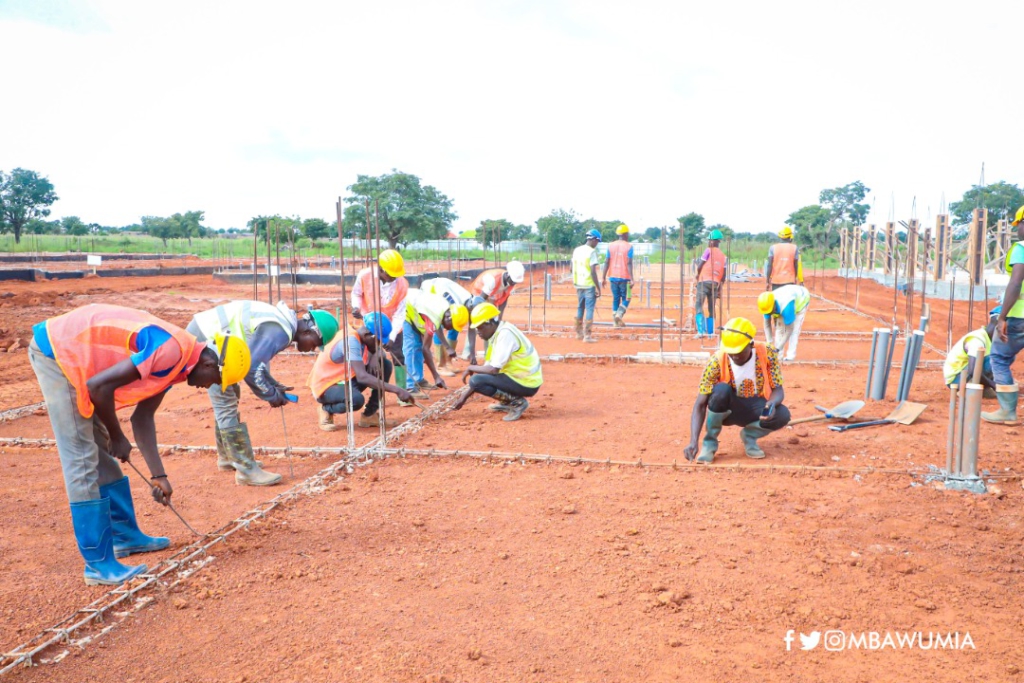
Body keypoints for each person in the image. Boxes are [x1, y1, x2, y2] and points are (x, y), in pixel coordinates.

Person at [27, 304, 250, 585]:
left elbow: (143, 418)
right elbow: (98, 387)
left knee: (98, 448)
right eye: (215, 381)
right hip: (58, 353)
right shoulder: (171, 351)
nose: (208, 388)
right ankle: (97, 565)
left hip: (80, 357)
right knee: (81, 455)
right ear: (208, 364)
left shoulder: (181, 363)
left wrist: (159, 477)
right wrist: (117, 436)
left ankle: (125, 536)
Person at [187, 301, 338, 486]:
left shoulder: (282, 324)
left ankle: (228, 458)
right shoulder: (280, 330)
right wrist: (271, 395)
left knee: (230, 393)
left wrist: (273, 384)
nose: (312, 349)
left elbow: (256, 361)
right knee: (225, 401)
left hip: (211, 338)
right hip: (208, 345)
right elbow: (251, 368)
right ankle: (246, 470)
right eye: (315, 344)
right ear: (308, 331)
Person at [683, 317, 790, 463]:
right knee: (721, 390)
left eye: (738, 352)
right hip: (728, 411)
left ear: (750, 344)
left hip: (756, 409)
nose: (734, 356)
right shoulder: (716, 361)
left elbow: (778, 389)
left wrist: (771, 404)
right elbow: (700, 404)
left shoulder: (767, 353)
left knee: (783, 414)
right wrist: (693, 441)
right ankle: (709, 443)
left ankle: (750, 435)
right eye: (730, 352)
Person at [308, 312, 413, 430]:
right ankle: (326, 409)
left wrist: (375, 355)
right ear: (369, 335)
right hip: (326, 386)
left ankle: (369, 415)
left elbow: (380, 351)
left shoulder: (361, 333)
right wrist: (397, 390)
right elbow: (362, 377)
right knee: (356, 400)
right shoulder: (350, 341)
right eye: (378, 340)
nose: (379, 344)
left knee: (385, 365)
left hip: (344, 379)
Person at [453, 302, 543, 421]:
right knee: (477, 380)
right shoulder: (498, 334)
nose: (478, 332)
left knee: (476, 380)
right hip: (521, 378)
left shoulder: (505, 335)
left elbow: (493, 370)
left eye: (480, 327)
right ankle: (507, 401)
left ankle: (517, 403)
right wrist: (463, 398)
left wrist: (470, 368)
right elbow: (486, 371)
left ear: (489, 322)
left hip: (527, 382)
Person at [983, 205, 1024, 425]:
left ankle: (1007, 411)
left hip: (1020, 318)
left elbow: (1016, 282)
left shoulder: (1021, 248)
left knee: (999, 358)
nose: (1018, 231)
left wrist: (1002, 317)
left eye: (1019, 225)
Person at [351, 249, 410, 388]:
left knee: (398, 355)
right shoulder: (365, 275)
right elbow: (356, 294)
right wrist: (356, 307)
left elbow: (400, 313)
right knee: (371, 357)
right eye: (391, 275)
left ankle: (402, 391)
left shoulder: (402, 284)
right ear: (381, 269)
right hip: (369, 323)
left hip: (392, 325)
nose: (394, 278)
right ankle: (375, 395)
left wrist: (391, 337)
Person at [400, 289, 469, 401]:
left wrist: (447, 346)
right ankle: (409, 387)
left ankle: (418, 380)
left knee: (417, 346)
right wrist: (436, 376)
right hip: (404, 307)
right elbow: (425, 349)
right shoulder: (435, 316)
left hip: (414, 306)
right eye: (452, 326)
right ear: (449, 318)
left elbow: (437, 327)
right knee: (411, 348)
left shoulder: (445, 309)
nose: (450, 329)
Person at [464, 261, 525, 363]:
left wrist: (498, 318)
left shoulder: (510, 282)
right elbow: (482, 301)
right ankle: (469, 353)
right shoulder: (491, 279)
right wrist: (489, 318)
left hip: (493, 296)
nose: (514, 283)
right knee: (478, 323)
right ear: (508, 275)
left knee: (493, 325)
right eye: (513, 281)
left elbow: (504, 300)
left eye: (515, 282)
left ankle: (489, 354)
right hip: (479, 295)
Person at [421, 276, 482, 376]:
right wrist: (447, 347)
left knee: (455, 325)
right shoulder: (448, 304)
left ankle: (448, 362)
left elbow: (471, 329)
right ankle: (440, 365)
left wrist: (472, 354)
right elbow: (436, 324)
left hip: (445, 286)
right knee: (438, 323)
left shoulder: (471, 303)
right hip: (431, 288)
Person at [944, 307, 998, 398]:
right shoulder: (977, 340)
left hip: (966, 373)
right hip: (956, 379)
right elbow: (973, 370)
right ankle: (966, 388)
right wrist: (994, 385)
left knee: (999, 356)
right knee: (996, 358)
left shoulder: (990, 338)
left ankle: (980, 386)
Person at [757, 285, 810, 361]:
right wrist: (769, 344)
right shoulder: (766, 304)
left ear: (773, 305)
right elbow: (767, 325)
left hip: (802, 300)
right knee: (779, 328)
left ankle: (790, 356)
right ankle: (778, 357)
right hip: (786, 297)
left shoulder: (786, 307)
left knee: (794, 330)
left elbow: (789, 330)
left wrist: (778, 348)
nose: (769, 313)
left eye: (770, 311)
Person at [695, 229, 728, 337]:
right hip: (715, 284)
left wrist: (697, 275)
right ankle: (710, 332)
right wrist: (719, 288)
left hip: (704, 281)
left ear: (714, 241)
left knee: (699, 304)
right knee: (711, 307)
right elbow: (723, 276)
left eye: (710, 240)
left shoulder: (708, 250)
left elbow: (700, 265)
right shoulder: (724, 256)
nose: (709, 242)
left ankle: (701, 332)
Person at [572, 229, 603, 342]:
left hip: (578, 283)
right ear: (594, 239)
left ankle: (579, 333)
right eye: (597, 241)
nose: (597, 244)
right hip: (589, 284)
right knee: (589, 309)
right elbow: (593, 271)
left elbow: (572, 268)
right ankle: (587, 336)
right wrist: (598, 287)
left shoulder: (577, 250)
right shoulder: (591, 252)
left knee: (580, 307)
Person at [602, 224, 634, 327]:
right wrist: (632, 278)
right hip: (625, 277)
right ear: (625, 234)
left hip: (612, 276)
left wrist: (603, 277)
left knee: (616, 298)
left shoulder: (610, 246)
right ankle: (619, 314)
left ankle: (615, 322)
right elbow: (629, 263)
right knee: (627, 298)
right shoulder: (629, 246)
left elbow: (606, 262)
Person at [765, 226, 803, 291]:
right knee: (789, 300)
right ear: (790, 237)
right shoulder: (794, 248)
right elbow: (796, 265)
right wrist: (796, 278)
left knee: (776, 299)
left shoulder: (773, 248)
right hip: (790, 280)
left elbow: (769, 265)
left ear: (780, 236)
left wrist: (767, 280)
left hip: (776, 280)